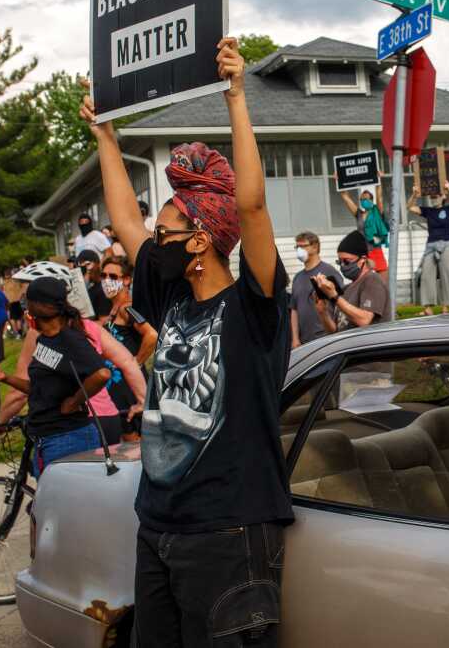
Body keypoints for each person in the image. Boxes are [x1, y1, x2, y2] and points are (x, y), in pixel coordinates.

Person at [81, 35, 292, 646]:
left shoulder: (254, 305)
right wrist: (105, 134)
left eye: (167, 230)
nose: (154, 238)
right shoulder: (171, 296)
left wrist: (236, 96)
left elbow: (249, 207)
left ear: (200, 240)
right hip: (159, 524)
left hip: (228, 535)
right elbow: (124, 222)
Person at [0, 261, 145, 447]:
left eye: (29, 293)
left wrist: (0, 421)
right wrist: (142, 402)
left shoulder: (41, 334)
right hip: (107, 418)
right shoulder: (89, 326)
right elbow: (128, 362)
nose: (24, 299)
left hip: (75, 423)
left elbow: (20, 393)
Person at [0, 277, 111, 476]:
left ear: (42, 306)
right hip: (46, 438)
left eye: (28, 301)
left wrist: (74, 401)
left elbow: (102, 374)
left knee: (64, 506)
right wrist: (4, 377)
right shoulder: (44, 339)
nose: (25, 307)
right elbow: (39, 389)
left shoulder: (69, 339)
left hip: (68, 438)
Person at [101, 257, 157, 440]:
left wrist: (136, 361)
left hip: (131, 389)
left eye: (112, 276)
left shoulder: (128, 308)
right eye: (103, 275)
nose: (106, 280)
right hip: (117, 389)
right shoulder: (113, 311)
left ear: (126, 280)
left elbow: (152, 335)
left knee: (135, 449)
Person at [408, 180, 449, 315]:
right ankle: (428, 308)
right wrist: (415, 195)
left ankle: (446, 307)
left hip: (447, 245)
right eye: (432, 196)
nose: (434, 198)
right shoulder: (428, 211)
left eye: (437, 195)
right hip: (431, 246)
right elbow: (410, 207)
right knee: (426, 275)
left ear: (443, 197)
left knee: (446, 274)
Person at [315, 231, 392, 331]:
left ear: (362, 260)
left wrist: (335, 296)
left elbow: (364, 320)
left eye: (346, 261)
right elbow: (333, 330)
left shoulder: (372, 280)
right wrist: (322, 312)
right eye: (339, 262)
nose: (342, 266)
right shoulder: (346, 289)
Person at [290, 231, 342, 348]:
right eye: (297, 247)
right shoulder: (297, 277)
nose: (299, 250)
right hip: (303, 342)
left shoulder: (329, 272)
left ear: (315, 247)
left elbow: (340, 304)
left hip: (325, 339)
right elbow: (294, 310)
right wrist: (295, 338)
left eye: (302, 246)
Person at [340, 186, 389, 282]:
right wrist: (340, 182)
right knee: (363, 280)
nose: (363, 201)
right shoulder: (359, 214)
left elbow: (379, 197)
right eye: (361, 199)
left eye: (366, 198)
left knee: (383, 282)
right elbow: (346, 199)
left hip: (375, 250)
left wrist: (378, 181)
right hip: (363, 252)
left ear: (371, 200)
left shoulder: (377, 211)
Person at [77, 249, 113, 320]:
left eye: (88, 264)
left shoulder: (104, 288)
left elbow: (104, 321)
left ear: (98, 263)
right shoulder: (91, 287)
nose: (86, 269)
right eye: (82, 266)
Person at [4, 267, 26, 339]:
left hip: (11, 302)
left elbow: (5, 294)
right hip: (17, 301)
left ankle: (17, 334)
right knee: (18, 318)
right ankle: (20, 333)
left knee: (13, 319)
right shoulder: (15, 281)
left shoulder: (5, 284)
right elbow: (22, 288)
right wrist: (20, 296)